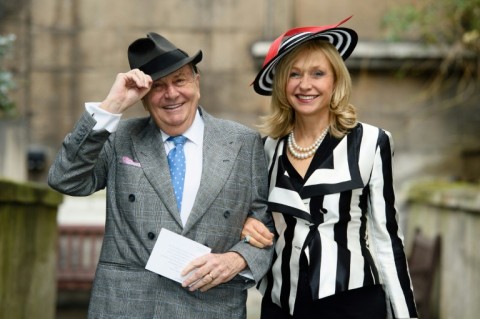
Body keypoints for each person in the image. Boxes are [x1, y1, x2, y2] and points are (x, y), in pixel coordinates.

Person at [48, 32, 274, 319]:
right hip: (127, 307)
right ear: (143, 97)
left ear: (196, 82)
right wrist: (112, 105)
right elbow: (65, 178)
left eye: (180, 80)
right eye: (157, 86)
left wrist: (237, 258)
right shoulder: (120, 139)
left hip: (212, 307)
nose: (171, 94)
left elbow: (266, 230)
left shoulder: (243, 142)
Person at [241, 16, 418, 319]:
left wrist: (406, 315)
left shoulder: (372, 142)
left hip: (354, 304)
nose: (305, 85)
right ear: (282, 84)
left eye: (317, 73)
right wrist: (245, 225)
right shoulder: (266, 147)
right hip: (283, 305)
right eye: (294, 74)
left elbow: (386, 238)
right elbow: (253, 218)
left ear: (335, 80)